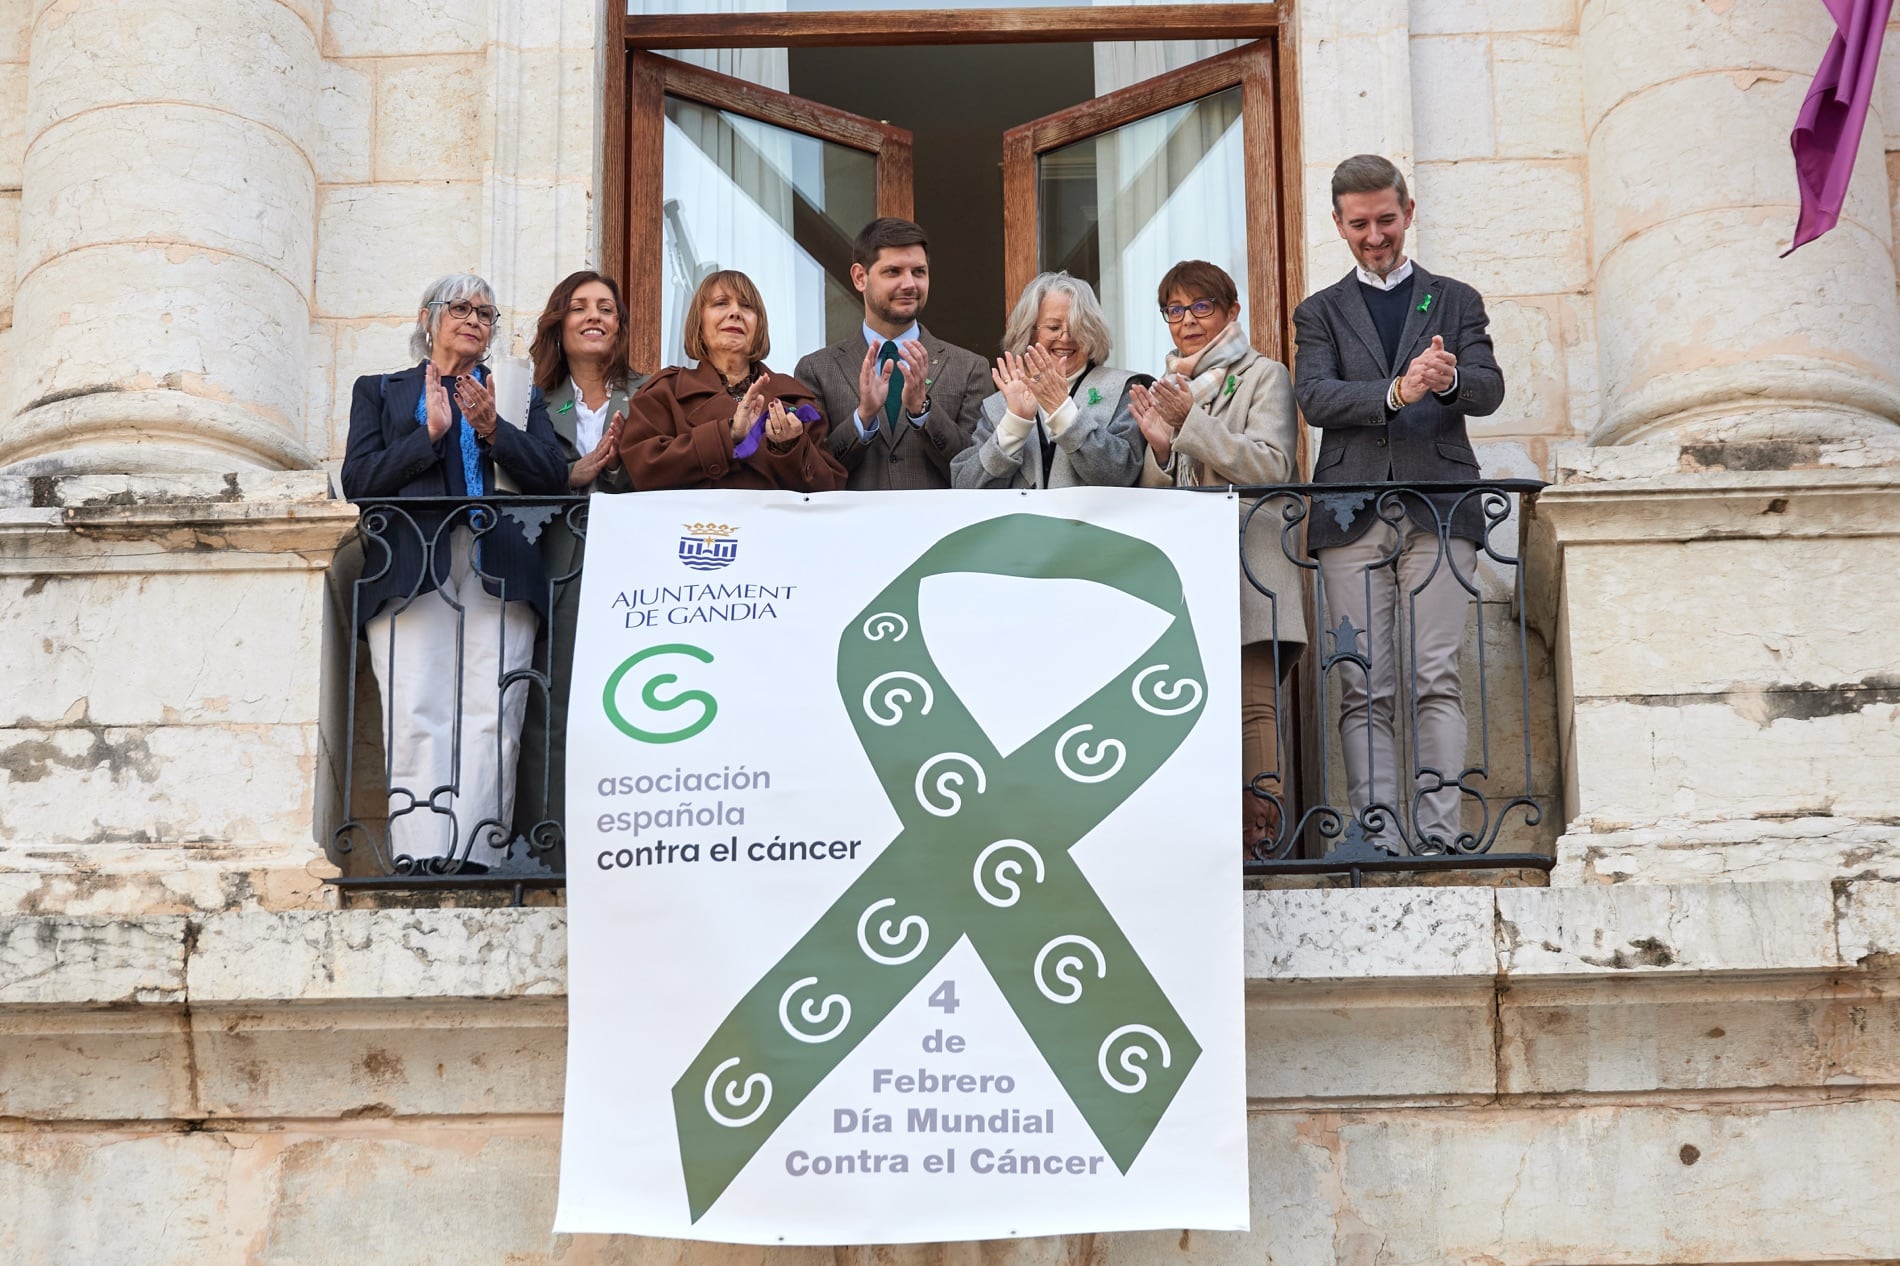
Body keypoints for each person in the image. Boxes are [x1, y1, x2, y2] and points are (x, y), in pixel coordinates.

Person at [1291, 154, 1505, 853]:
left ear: (1408, 212)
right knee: (1363, 686)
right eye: (1360, 224)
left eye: (1386, 219)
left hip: (1440, 508)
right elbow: (1315, 397)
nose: (1375, 235)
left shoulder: (1455, 298)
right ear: (1338, 225)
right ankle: (1379, 839)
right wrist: (1396, 392)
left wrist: (1446, 381)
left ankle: (1440, 841)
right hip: (1350, 514)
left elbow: (1490, 387)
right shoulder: (1318, 310)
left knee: (1436, 677)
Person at [340, 273, 570, 874]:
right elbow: (359, 481)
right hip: (414, 561)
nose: (473, 319)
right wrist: (430, 434)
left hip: (500, 561)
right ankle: (420, 853)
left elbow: (551, 475)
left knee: (496, 709)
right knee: (416, 703)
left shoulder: (516, 393)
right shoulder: (381, 391)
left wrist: (496, 428)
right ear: (427, 318)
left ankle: (477, 856)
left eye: (486, 312)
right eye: (459, 307)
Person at [1130, 260, 1308, 852]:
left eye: (1201, 307)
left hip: (1249, 569)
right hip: (1188, 577)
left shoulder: (1264, 375)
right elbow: (1162, 497)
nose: (1188, 322)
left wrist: (1189, 424)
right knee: (1188, 711)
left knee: (1253, 707)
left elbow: (1271, 465)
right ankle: (1205, 846)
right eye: (1175, 311)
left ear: (1232, 312)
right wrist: (1160, 448)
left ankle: (1261, 839)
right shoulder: (1168, 390)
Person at [514, 270, 649, 849]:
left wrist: (615, 467)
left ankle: (630, 840)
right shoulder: (531, 401)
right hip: (557, 561)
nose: (594, 316)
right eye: (579, 307)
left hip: (635, 567)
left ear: (619, 326)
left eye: (606, 308)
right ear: (559, 324)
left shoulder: (649, 394)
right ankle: (548, 845)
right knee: (552, 697)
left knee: (635, 701)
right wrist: (575, 473)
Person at [794, 217, 990, 490]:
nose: (910, 284)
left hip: (939, 531)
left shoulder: (970, 368)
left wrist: (922, 412)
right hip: (851, 531)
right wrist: (862, 417)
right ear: (860, 277)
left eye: (919, 272)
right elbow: (810, 474)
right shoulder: (817, 369)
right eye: (893, 271)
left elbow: (978, 474)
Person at [618, 269, 847, 492]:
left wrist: (790, 447)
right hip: (697, 529)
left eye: (746, 306)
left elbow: (830, 489)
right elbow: (641, 471)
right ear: (699, 322)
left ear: (758, 326)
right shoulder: (666, 392)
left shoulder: (794, 397)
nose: (735, 312)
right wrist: (727, 435)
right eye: (720, 303)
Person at [951, 271, 1148, 490]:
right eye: (1054, 327)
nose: (1065, 338)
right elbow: (965, 487)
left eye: (1078, 327)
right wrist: (1014, 423)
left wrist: (1062, 411)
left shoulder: (1124, 389)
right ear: (1029, 332)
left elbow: (1122, 476)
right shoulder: (1000, 404)